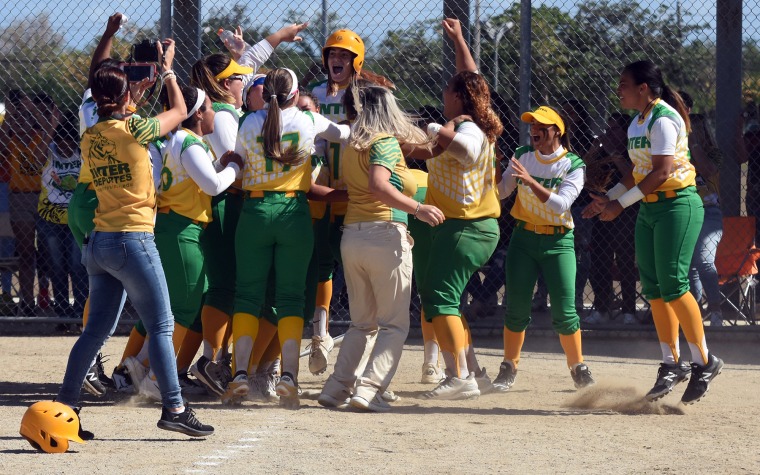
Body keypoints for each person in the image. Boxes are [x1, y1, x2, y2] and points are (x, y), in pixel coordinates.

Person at [23, 39, 215, 451]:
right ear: (124, 97)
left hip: (99, 242)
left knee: (94, 332)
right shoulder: (135, 129)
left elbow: (123, 119)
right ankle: (176, 411)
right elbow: (180, 112)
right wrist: (166, 71)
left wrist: (132, 95)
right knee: (162, 327)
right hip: (133, 240)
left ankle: (66, 410)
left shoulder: (92, 134)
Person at [584, 60, 723, 404]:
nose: (619, 89)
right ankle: (671, 363)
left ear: (643, 88)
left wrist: (620, 206)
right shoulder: (638, 121)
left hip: (677, 205)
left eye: (624, 83)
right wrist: (608, 199)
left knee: (674, 286)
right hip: (650, 208)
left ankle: (705, 362)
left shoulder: (663, 118)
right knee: (655, 289)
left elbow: (661, 173)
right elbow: (637, 173)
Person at [187, 23, 307, 397]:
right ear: (225, 86)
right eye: (240, 78)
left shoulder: (240, 114)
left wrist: (270, 40)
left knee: (246, 291)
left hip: (247, 207)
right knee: (232, 289)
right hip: (233, 203)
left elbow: (248, 66)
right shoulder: (227, 117)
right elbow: (232, 169)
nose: (248, 80)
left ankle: (241, 367)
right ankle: (215, 362)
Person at [317, 83, 444, 411]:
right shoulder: (384, 142)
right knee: (394, 324)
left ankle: (337, 387)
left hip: (354, 236)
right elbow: (378, 184)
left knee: (364, 323)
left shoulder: (353, 144)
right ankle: (370, 390)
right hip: (384, 235)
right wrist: (418, 208)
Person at [231, 68, 349, 409]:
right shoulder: (308, 120)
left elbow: (239, 159)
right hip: (292, 213)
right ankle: (288, 377)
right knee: (292, 297)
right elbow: (344, 133)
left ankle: (240, 373)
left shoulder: (250, 121)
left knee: (247, 294)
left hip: (253, 212)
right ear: (295, 95)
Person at [122, 85, 244, 401]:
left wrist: (219, 165)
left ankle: (143, 367)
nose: (215, 113)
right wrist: (234, 167)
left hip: (176, 226)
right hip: (180, 229)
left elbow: (194, 178)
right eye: (210, 108)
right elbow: (213, 185)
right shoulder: (189, 142)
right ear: (199, 114)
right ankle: (152, 375)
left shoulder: (176, 141)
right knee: (185, 306)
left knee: (182, 303)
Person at [403, 19, 502, 400]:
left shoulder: (469, 129)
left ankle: (457, 376)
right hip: (459, 227)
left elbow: (467, 150)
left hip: (468, 227)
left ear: (459, 99)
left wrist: (430, 126)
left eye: (448, 91)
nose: (443, 95)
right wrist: (460, 38)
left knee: (439, 297)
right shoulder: (463, 119)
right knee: (443, 299)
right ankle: (472, 371)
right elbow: (470, 75)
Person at [491, 105, 595, 392]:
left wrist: (530, 180)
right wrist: (495, 166)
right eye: (532, 125)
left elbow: (562, 204)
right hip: (524, 239)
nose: (534, 130)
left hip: (558, 241)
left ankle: (578, 367)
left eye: (542, 127)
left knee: (564, 311)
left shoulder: (573, 164)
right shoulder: (523, 156)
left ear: (557, 132)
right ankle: (508, 367)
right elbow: (501, 191)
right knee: (516, 308)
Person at [584, 112, 639, 325]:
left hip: (627, 210)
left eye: (614, 129)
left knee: (625, 259)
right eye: (607, 129)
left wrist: (615, 155)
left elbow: (631, 176)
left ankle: (629, 311)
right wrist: (595, 150)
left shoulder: (632, 150)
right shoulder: (601, 151)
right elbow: (586, 172)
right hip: (601, 209)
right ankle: (601, 308)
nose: (609, 133)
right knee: (600, 258)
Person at [35, 119, 88, 319]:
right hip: (50, 218)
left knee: (77, 265)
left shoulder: (82, 153)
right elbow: (37, 159)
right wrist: (51, 128)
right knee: (57, 266)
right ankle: (62, 312)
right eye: (61, 142)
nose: (65, 147)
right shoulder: (48, 151)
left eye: (69, 143)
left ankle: (81, 311)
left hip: (75, 219)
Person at [688, 113, 724, 327]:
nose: (692, 133)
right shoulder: (676, 154)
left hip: (709, 212)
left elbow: (708, 169)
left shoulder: (714, 153)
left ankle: (716, 309)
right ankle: (695, 313)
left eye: (696, 129)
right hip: (687, 211)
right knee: (690, 265)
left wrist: (693, 145)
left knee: (703, 260)